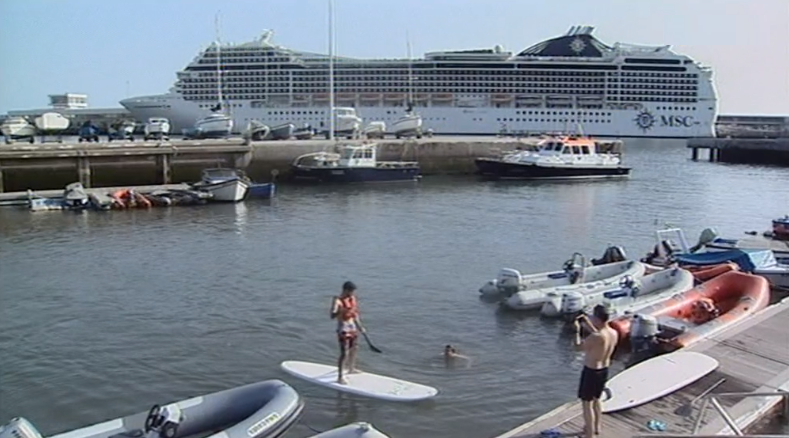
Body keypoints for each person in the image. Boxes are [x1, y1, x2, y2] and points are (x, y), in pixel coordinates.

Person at [573, 305, 618, 438]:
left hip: (591, 371)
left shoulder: (596, 337)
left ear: (598, 319)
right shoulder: (613, 333)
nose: (591, 318)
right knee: (596, 399)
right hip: (604, 369)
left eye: (593, 317)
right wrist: (587, 322)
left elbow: (577, 347)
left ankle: (589, 434)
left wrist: (576, 331)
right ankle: (597, 427)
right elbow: (599, 336)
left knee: (586, 403)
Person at [330, 281, 365, 384]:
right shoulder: (337, 301)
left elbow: (355, 314)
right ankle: (340, 377)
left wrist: (360, 327)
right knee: (344, 352)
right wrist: (340, 311)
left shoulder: (352, 299)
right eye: (351, 291)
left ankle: (351, 368)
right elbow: (332, 315)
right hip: (343, 328)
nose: (353, 293)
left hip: (352, 327)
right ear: (345, 290)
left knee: (355, 348)